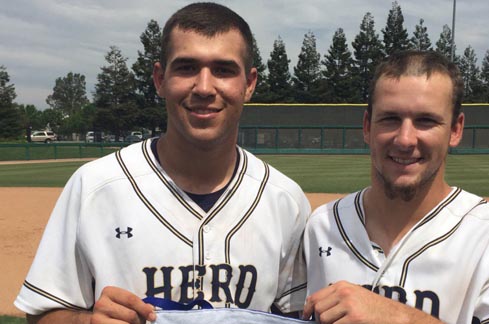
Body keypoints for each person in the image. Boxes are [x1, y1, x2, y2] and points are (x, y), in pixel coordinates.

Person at [15, 3, 310, 323]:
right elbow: (42, 313)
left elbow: (297, 314)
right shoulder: (95, 186)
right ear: (159, 78)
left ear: (249, 84)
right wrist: (86, 321)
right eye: (186, 67)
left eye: (224, 70)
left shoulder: (285, 200)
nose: (204, 87)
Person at [302, 51, 489, 324]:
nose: (405, 139)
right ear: (366, 127)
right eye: (390, 119)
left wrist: (395, 316)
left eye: (426, 121)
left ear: (455, 130)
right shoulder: (321, 226)